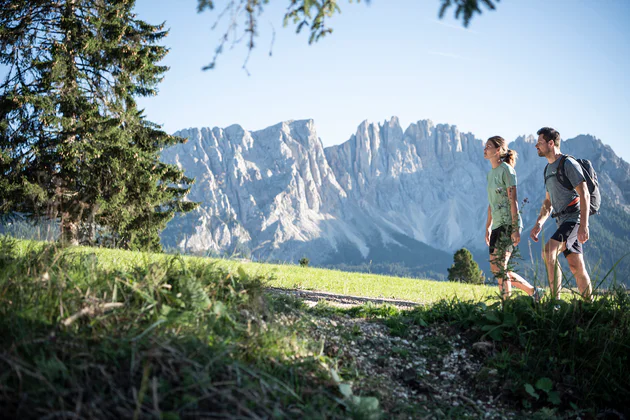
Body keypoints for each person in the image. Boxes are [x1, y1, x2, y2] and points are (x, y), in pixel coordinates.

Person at [529, 127, 593, 301]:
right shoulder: (548, 169)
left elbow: (584, 193)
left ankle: (554, 302)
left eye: (540, 142)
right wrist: (539, 223)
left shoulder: (568, 164)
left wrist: (583, 225)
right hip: (561, 221)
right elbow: (548, 202)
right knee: (576, 267)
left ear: (551, 143)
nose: (536, 146)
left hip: (573, 219)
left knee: (548, 252)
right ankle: (590, 305)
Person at [484, 136, 543, 301]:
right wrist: (488, 226)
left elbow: (513, 200)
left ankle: (506, 306)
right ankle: (533, 292)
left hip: (508, 223)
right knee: (497, 269)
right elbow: (491, 203)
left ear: (498, 151)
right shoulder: (490, 174)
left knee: (501, 268)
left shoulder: (507, 170)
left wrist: (515, 228)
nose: (485, 149)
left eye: (488, 146)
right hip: (497, 224)